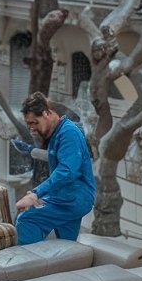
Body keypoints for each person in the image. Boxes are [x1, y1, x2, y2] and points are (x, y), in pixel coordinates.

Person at [14, 92, 96, 245]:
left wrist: (35, 194)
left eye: (34, 123)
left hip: (73, 197)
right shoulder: (58, 133)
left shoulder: (69, 133)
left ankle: (25, 266)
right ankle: (64, 265)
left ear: (46, 113)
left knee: (27, 219)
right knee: (65, 244)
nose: (32, 129)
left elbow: (67, 171)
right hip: (68, 196)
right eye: (29, 124)